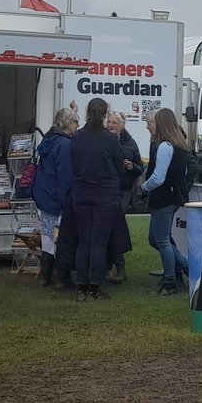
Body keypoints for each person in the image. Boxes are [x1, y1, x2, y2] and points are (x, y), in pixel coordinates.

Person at [69, 97, 123, 301]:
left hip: (82, 192)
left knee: (83, 241)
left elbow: (73, 165)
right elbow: (119, 167)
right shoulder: (110, 139)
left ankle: (81, 288)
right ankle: (95, 287)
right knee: (99, 243)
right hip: (106, 194)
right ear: (104, 114)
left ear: (87, 112)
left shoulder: (77, 137)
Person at [140, 107, 191, 295]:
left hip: (163, 197)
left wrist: (143, 187)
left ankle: (171, 280)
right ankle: (185, 267)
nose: (149, 126)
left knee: (161, 240)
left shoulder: (164, 146)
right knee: (158, 239)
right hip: (174, 196)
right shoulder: (180, 145)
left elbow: (158, 177)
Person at [30, 107, 79, 286]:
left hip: (43, 194)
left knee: (47, 236)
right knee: (61, 236)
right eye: (75, 122)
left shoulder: (49, 140)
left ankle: (45, 275)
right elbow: (65, 176)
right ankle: (61, 276)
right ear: (68, 124)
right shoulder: (65, 145)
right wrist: (65, 200)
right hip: (57, 197)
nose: (77, 125)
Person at [104, 110, 143, 283]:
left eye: (115, 122)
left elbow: (140, 168)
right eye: (109, 122)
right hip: (106, 189)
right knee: (108, 227)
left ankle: (117, 267)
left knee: (115, 226)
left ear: (123, 124)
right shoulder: (102, 139)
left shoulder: (131, 143)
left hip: (124, 190)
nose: (111, 125)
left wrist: (130, 165)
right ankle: (110, 267)